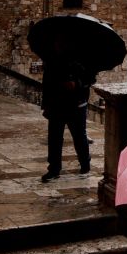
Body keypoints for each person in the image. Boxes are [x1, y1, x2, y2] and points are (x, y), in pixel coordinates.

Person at [40, 47, 92, 180]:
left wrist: (76, 84)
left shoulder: (82, 56)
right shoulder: (51, 58)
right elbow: (47, 82)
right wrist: (46, 105)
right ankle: (54, 169)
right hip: (57, 103)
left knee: (79, 136)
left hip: (76, 103)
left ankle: (85, 164)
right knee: (54, 137)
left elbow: (90, 78)